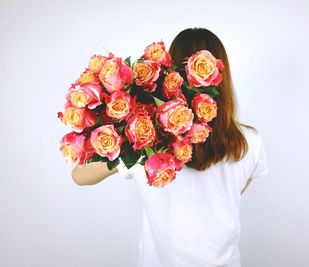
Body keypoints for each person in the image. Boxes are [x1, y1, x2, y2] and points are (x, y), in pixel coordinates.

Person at [71, 27, 269, 267]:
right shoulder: (249, 140)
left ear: (171, 72)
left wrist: (123, 136)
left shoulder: (144, 142)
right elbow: (235, 191)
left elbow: (80, 176)